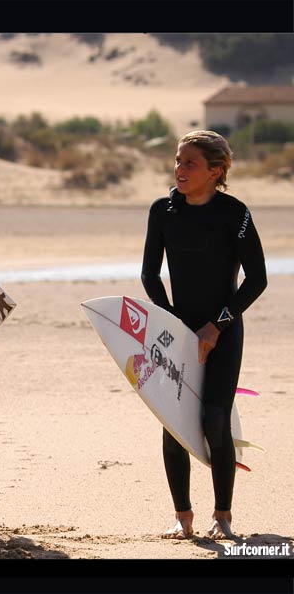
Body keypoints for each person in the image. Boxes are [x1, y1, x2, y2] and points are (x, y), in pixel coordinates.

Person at [141, 130, 267, 540]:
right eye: (178, 160)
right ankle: (183, 517)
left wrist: (217, 325)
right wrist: (172, 322)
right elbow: (149, 275)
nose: (179, 169)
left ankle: (222, 516)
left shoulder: (235, 213)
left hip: (223, 331)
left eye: (189, 163)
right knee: (174, 423)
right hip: (178, 331)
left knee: (215, 418)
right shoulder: (163, 211)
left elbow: (257, 279)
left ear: (215, 171)